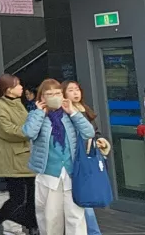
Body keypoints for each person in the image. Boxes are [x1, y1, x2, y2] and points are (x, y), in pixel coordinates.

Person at [23, 79, 95, 235]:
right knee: (51, 219)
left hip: (72, 173)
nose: (54, 96)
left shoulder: (69, 115)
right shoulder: (37, 115)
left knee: (75, 217)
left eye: (57, 93)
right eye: (48, 94)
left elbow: (89, 132)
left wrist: (73, 113)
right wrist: (38, 113)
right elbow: (29, 133)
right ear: (41, 97)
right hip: (49, 174)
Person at [0, 74, 38, 235]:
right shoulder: (0, 108)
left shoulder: (16, 104)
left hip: (23, 158)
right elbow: (8, 131)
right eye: (18, 85)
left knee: (31, 199)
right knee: (18, 198)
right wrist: (28, 131)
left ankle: (32, 227)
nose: (22, 87)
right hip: (12, 160)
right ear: (8, 90)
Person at [63, 80, 112, 235]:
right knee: (82, 201)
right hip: (75, 160)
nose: (76, 93)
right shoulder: (64, 114)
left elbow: (94, 132)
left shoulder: (85, 110)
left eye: (77, 89)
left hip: (89, 159)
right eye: (71, 90)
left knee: (84, 199)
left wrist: (100, 140)